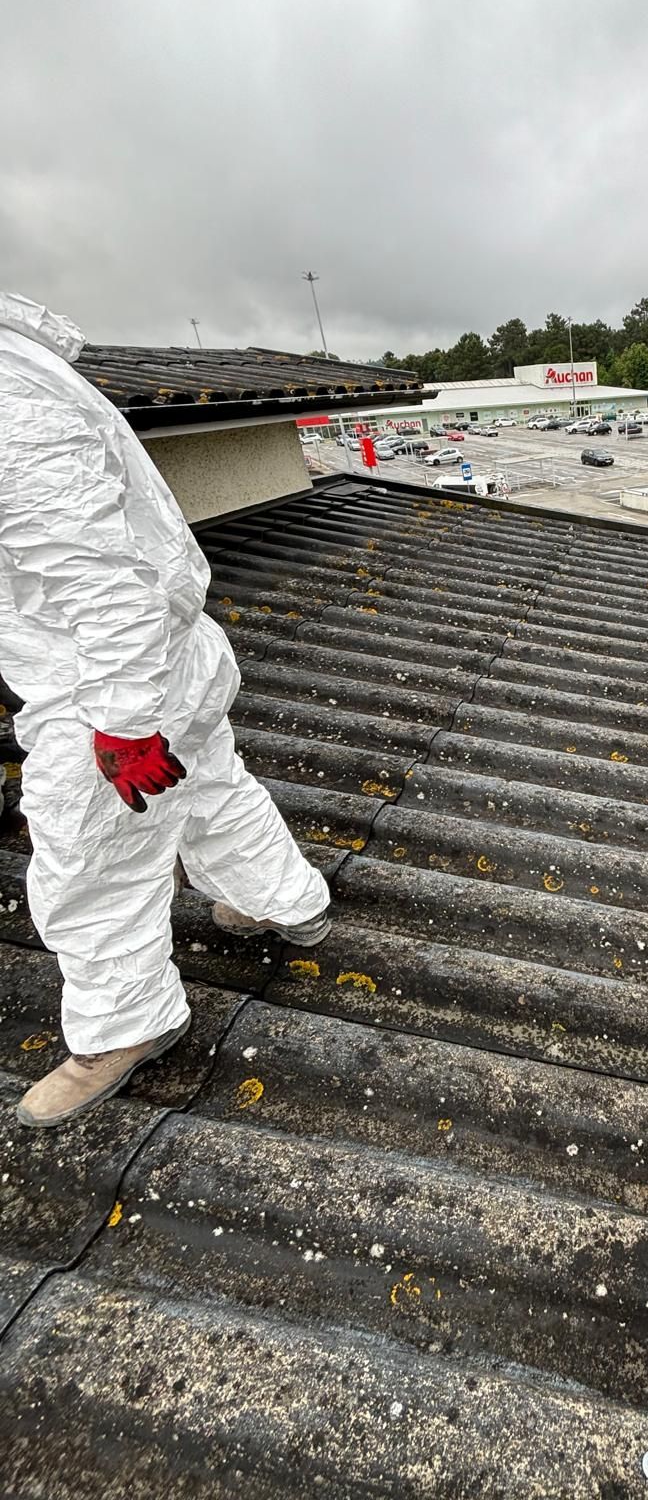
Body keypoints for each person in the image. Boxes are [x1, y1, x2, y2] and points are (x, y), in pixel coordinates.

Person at [0, 293, 331, 1127]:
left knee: (88, 856)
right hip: (160, 661)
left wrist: (121, 725)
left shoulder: (7, 405)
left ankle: (126, 1025)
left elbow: (100, 581)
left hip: (103, 681)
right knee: (209, 788)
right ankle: (287, 900)